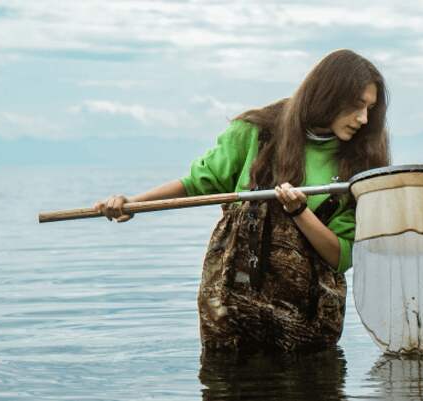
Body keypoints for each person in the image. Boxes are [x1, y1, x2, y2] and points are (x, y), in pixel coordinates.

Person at [94, 49, 390, 351]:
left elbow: (341, 257)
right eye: (357, 106)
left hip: (307, 328)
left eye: (370, 108)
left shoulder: (360, 165)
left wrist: (300, 211)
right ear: (328, 93)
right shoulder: (256, 133)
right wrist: (134, 204)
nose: (364, 119)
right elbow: (196, 183)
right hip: (230, 312)